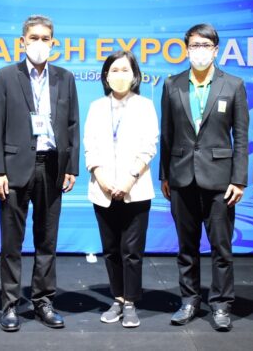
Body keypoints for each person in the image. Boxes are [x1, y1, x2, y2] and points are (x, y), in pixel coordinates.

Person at [0, 15, 80, 332]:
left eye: (45, 38)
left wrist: (71, 167)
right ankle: (10, 305)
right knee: (12, 243)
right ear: (22, 42)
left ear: (53, 43)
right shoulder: (6, 76)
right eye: (34, 38)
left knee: (47, 241)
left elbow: (72, 125)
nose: (40, 43)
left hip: (52, 167)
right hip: (14, 169)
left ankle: (43, 302)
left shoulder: (65, 78)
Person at [159, 23, 249, 331]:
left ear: (216, 50)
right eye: (194, 45)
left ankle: (221, 304)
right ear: (186, 49)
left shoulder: (233, 85)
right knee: (187, 247)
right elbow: (167, 133)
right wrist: (165, 175)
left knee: (221, 248)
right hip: (181, 176)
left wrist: (239, 179)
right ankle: (189, 300)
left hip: (220, 181)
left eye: (205, 46)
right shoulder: (172, 84)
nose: (200, 51)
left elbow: (241, 136)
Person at [83, 50, 158, 328]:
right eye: (114, 70)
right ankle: (117, 298)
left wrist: (129, 178)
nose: (119, 75)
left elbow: (149, 145)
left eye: (125, 70)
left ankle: (130, 303)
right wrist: (100, 176)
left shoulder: (145, 106)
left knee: (132, 250)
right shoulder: (96, 107)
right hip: (103, 190)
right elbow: (89, 145)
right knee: (111, 249)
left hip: (135, 188)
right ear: (105, 76)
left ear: (135, 75)